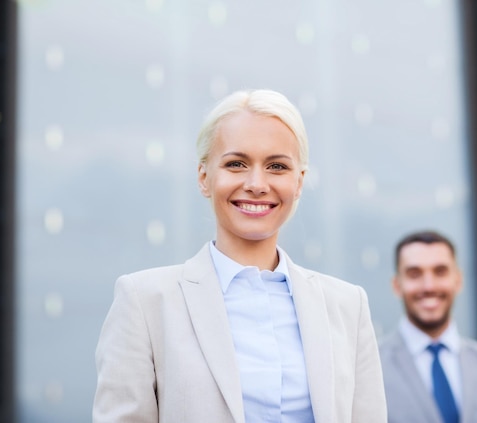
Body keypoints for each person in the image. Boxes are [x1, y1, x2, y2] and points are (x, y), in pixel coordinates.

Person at [93, 89, 387, 423]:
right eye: (236, 164)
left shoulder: (348, 306)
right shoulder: (145, 302)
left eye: (277, 166)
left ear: (299, 182)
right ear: (204, 177)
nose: (257, 183)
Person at [379, 230, 477, 423]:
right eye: (414, 274)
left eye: (440, 272)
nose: (429, 286)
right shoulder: (373, 368)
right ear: (396, 285)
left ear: (458, 280)